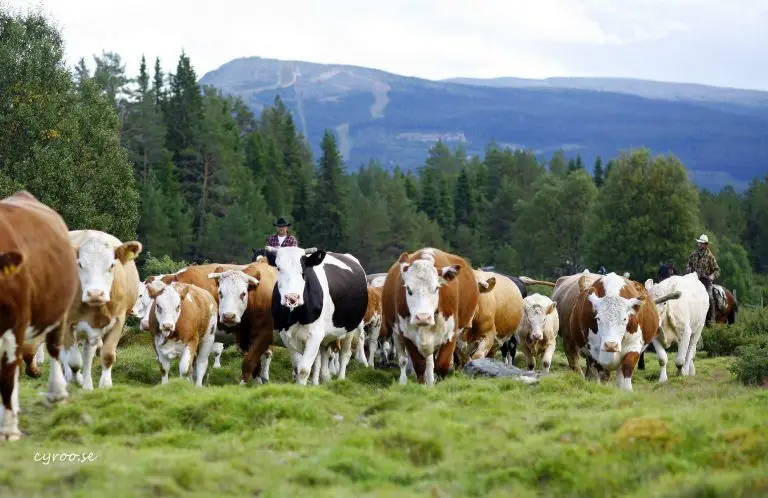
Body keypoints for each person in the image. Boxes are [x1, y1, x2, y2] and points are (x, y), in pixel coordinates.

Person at [685, 233, 721, 327]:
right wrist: (689, 270)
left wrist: (712, 276)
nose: (700, 244)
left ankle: (710, 320)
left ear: (706, 245)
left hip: (705, 281)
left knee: (709, 297)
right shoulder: (693, 255)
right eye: (699, 243)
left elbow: (717, 269)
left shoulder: (710, 256)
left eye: (702, 243)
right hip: (693, 279)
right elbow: (688, 264)